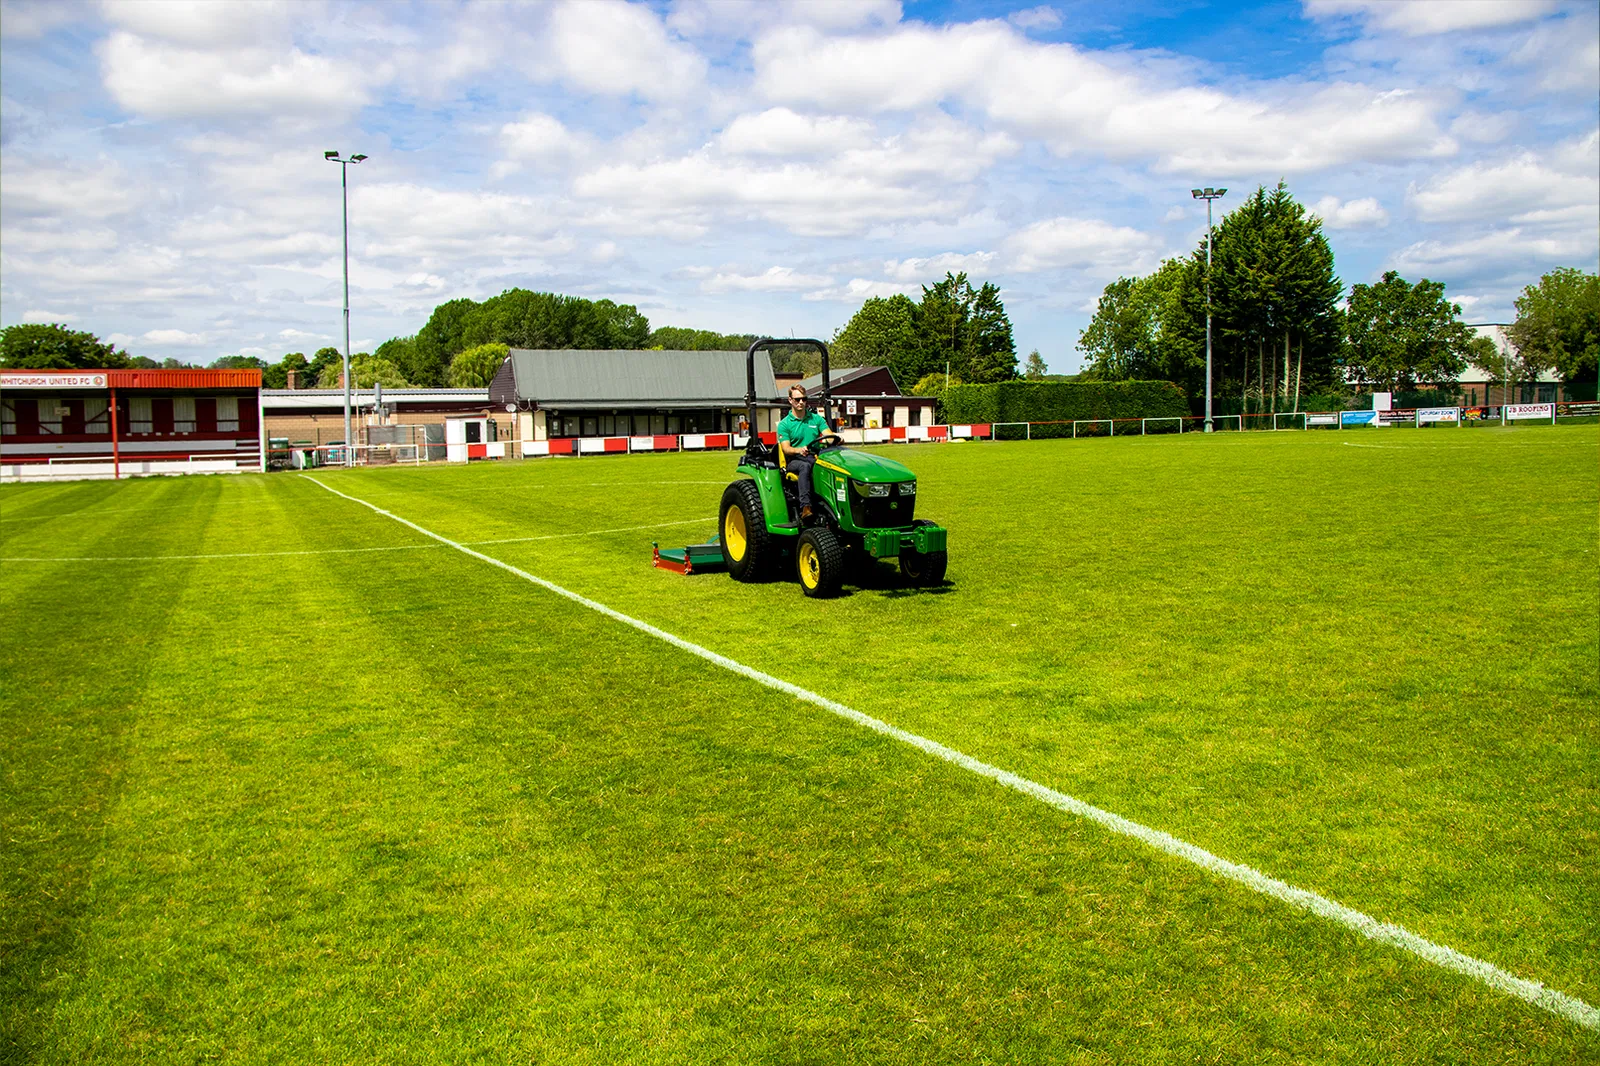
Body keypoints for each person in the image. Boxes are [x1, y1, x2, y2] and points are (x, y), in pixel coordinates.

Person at [776, 383, 831, 521]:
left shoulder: (816, 419)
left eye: (804, 399)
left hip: (814, 456)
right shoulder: (785, 424)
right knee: (805, 466)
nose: (801, 402)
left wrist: (836, 438)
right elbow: (786, 449)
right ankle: (806, 507)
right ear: (790, 400)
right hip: (795, 460)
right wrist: (799, 450)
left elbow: (828, 435)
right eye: (797, 399)